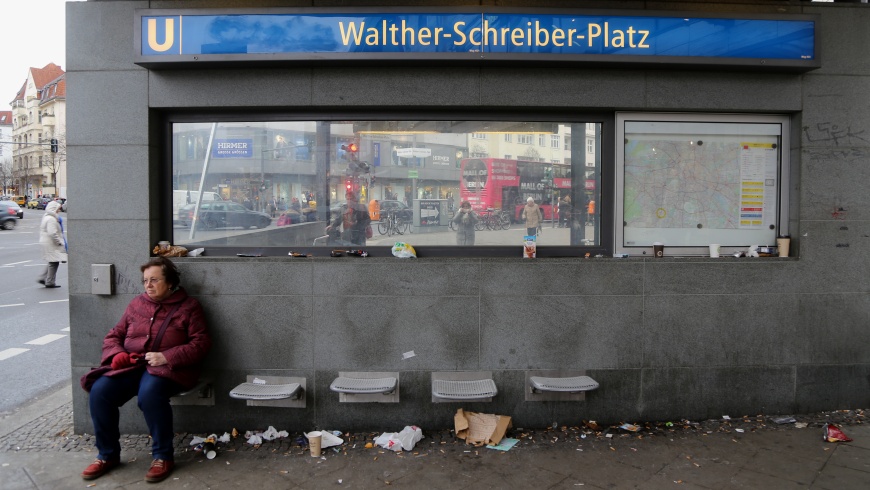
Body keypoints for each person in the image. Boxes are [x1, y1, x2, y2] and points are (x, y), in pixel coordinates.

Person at [81, 257, 211, 483]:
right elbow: (114, 335)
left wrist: (166, 356)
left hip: (169, 370)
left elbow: (201, 344)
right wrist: (117, 354)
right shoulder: (136, 304)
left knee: (149, 395)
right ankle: (107, 454)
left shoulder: (189, 307)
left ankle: (163, 456)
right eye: (145, 281)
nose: (148, 285)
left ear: (169, 282)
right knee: (100, 391)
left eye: (154, 280)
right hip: (133, 366)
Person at [37, 201, 67, 288]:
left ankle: (43, 278)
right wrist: (59, 242)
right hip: (51, 243)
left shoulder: (47, 217)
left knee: (52, 261)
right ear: (54, 209)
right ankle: (50, 282)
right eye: (58, 209)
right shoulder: (51, 219)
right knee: (54, 262)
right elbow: (52, 233)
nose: (59, 211)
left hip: (46, 242)